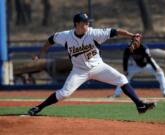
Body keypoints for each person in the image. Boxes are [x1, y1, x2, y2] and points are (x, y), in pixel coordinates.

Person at [28, 12, 156, 116]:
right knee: (64, 94)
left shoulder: (94, 33)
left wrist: (131, 35)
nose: (87, 24)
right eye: (84, 22)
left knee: (121, 79)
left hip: (98, 67)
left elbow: (115, 31)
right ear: (77, 24)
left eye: (88, 22)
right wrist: (40, 54)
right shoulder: (65, 36)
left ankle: (140, 105)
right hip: (79, 71)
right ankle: (39, 107)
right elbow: (50, 40)